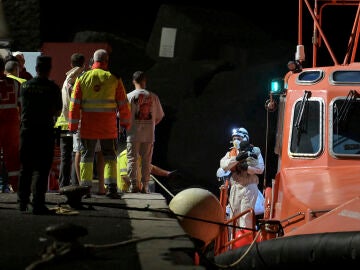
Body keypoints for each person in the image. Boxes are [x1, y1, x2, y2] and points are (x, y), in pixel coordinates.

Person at [68, 49, 131, 199]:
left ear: (93, 60)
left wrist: (72, 126)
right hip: (108, 126)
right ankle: (111, 188)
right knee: (110, 156)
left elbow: (74, 105)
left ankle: (85, 188)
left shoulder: (82, 78)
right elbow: (123, 104)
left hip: (88, 126)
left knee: (86, 157)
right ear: (107, 61)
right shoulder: (114, 78)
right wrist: (125, 123)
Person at [17, 55, 62, 214]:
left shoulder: (25, 86)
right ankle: (38, 203)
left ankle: (22, 201)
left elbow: (19, 106)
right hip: (45, 132)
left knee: (26, 167)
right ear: (49, 70)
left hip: (27, 131)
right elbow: (58, 110)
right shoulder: (53, 88)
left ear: (36, 69)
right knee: (42, 169)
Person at [126, 71, 164, 193]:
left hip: (132, 134)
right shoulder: (154, 97)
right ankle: (145, 186)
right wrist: (151, 124)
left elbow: (122, 116)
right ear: (145, 81)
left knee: (132, 159)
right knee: (147, 160)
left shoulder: (129, 97)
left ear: (133, 81)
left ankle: (133, 185)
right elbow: (159, 116)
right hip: (148, 135)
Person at [220, 127, 264, 230]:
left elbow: (260, 169)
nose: (236, 141)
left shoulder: (255, 152)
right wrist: (237, 159)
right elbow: (224, 165)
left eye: (238, 138)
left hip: (249, 186)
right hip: (236, 186)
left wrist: (247, 168)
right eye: (234, 138)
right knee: (233, 217)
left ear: (245, 138)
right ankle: (233, 243)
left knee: (245, 217)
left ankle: (244, 242)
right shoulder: (231, 153)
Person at [54, 53, 85, 188]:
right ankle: (74, 186)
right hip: (75, 123)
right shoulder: (80, 79)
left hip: (63, 123)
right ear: (83, 65)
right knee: (76, 155)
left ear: (71, 64)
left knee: (65, 156)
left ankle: (63, 186)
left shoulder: (67, 79)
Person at [0, 56, 21, 192]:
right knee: (13, 158)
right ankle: (18, 191)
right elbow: (22, 106)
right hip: (12, 126)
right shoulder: (16, 84)